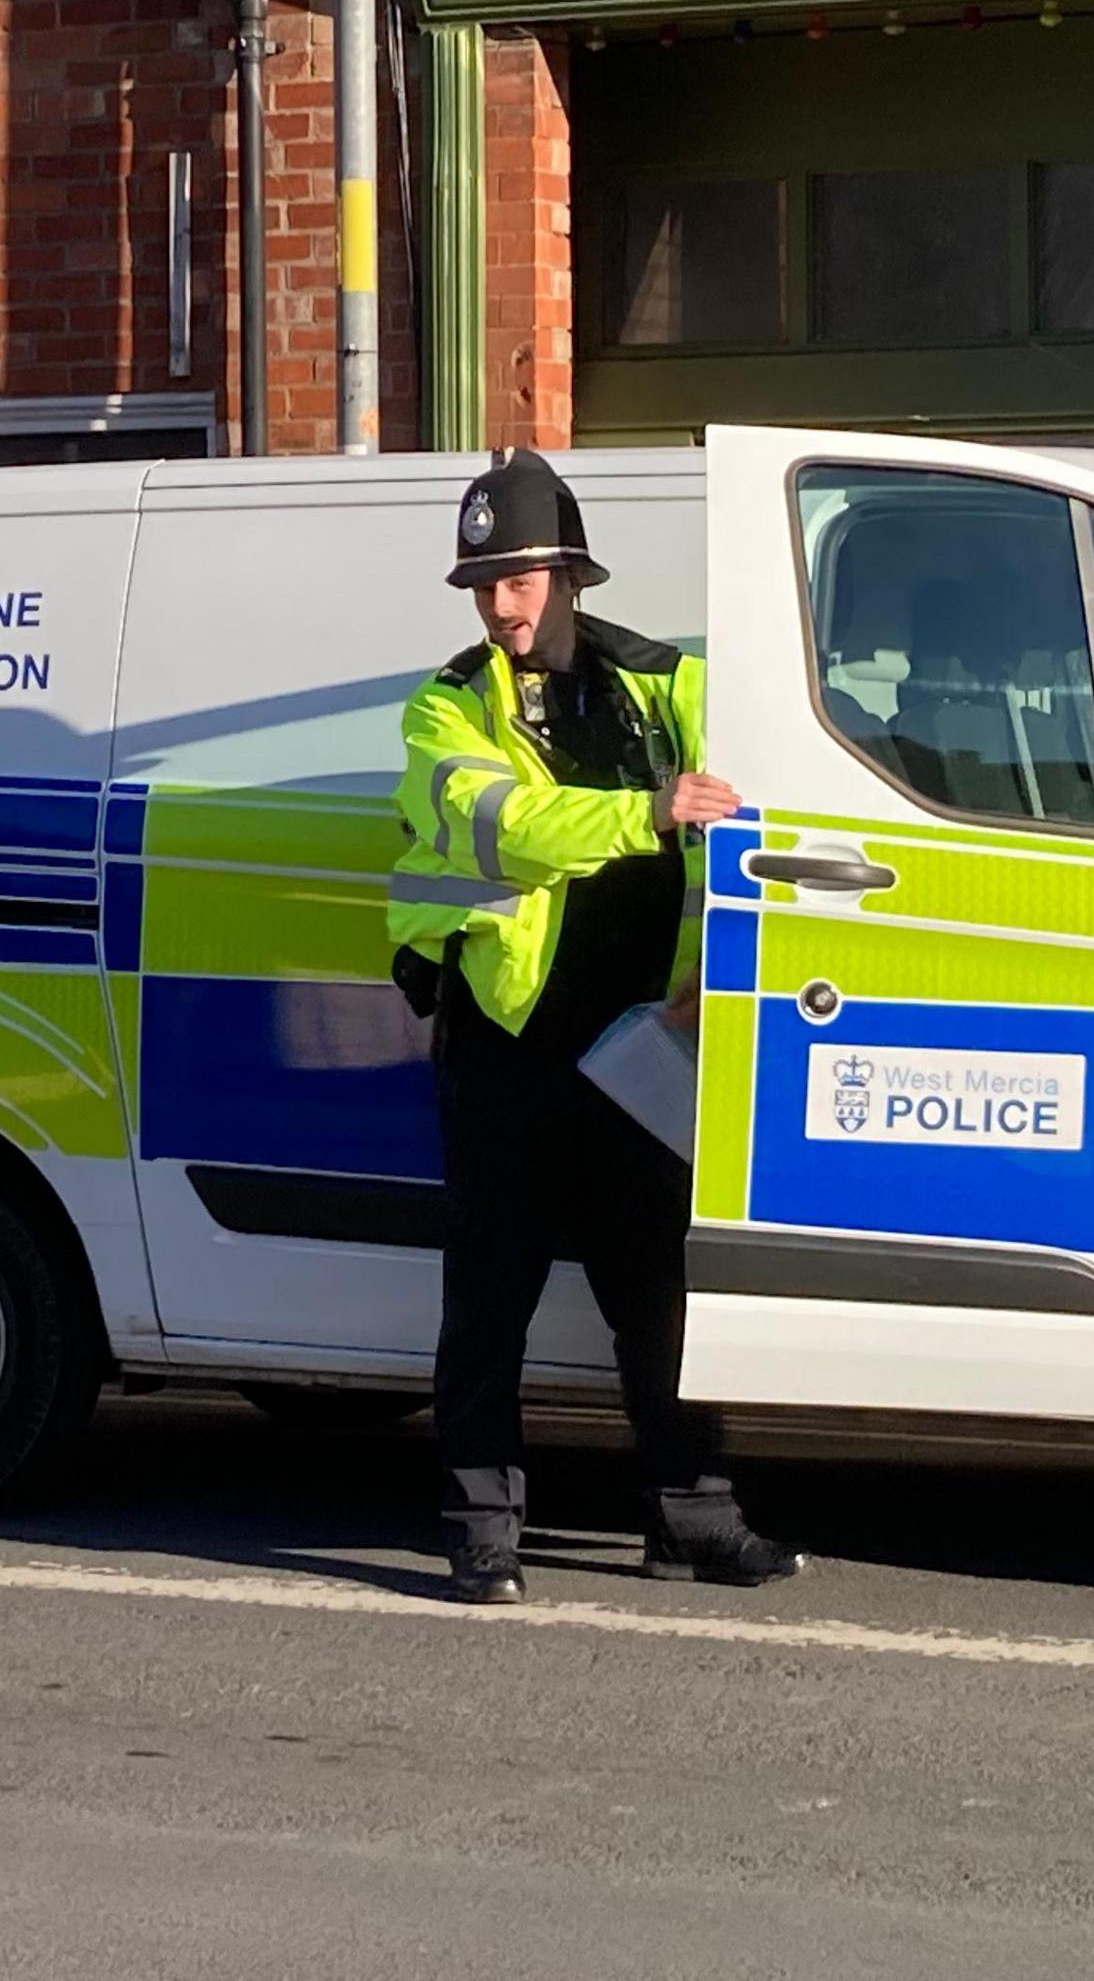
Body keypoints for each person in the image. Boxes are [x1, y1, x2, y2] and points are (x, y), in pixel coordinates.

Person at [387, 449, 804, 1605]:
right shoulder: (445, 705)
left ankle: (694, 1518)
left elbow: (759, 814)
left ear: (569, 575)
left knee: (659, 1295)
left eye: (516, 580)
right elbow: (500, 826)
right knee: (488, 1300)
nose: (498, 605)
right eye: (482, 585)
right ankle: (482, 1529)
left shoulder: (666, 684)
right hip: (507, 1042)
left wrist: (715, 972)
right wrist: (645, 809)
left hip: (641, 1044)